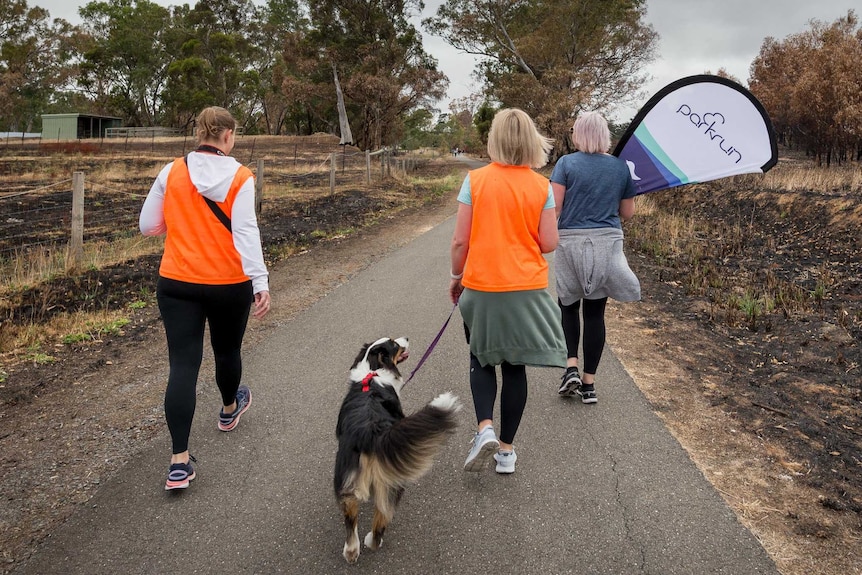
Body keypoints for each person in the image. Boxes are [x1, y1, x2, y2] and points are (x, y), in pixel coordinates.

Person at [139, 106, 271, 491]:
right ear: (228, 136)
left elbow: (148, 225)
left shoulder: (171, 171)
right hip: (229, 283)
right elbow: (246, 233)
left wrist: (175, 220)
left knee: (183, 364)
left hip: (177, 282)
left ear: (199, 134)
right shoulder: (241, 177)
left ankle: (179, 461)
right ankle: (229, 410)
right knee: (227, 351)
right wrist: (260, 282)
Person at [449, 108, 566, 475]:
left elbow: (459, 241)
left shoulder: (475, 180)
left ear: (494, 139)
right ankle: (507, 452)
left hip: (481, 285)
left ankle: (484, 427)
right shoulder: (541, 186)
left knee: (481, 357)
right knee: (515, 367)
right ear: (532, 140)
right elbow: (548, 244)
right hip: (525, 288)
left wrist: (456, 276)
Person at [550, 111, 640, 404]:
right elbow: (627, 213)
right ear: (604, 134)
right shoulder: (620, 168)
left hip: (570, 242)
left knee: (568, 306)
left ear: (579, 134)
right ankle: (589, 385)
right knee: (595, 313)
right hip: (607, 242)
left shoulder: (565, 164)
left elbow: (555, 208)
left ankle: (570, 366)